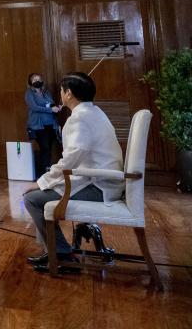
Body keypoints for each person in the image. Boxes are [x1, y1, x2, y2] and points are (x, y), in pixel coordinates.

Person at [23, 72, 123, 273]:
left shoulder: (79, 119)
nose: (60, 94)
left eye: (61, 90)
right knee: (39, 194)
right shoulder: (95, 112)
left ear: (68, 93)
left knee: (32, 198)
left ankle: (60, 254)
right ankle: (56, 250)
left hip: (98, 186)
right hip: (104, 181)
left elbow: (70, 160)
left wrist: (42, 182)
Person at [26, 72, 62, 178]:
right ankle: (43, 173)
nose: (37, 81)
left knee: (49, 148)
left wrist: (56, 107)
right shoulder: (29, 93)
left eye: (38, 79)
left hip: (51, 124)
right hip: (38, 126)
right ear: (30, 82)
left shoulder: (46, 92)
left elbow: (50, 103)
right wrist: (50, 109)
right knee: (44, 147)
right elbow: (34, 107)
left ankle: (47, 170)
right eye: (34, 80)